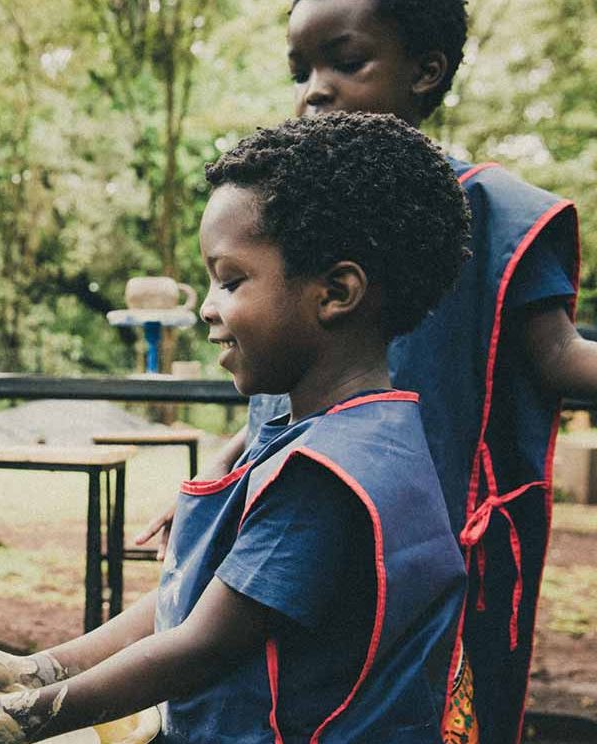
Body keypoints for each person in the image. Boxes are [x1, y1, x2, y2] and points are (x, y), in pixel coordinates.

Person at [0, 112, 471, 743]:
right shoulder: (375, 431)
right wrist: (38, 668)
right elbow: (197, 605)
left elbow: (200, 646)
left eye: (230, 280)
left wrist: (19, 719)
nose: (206, 307)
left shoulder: (323, 479)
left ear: (336, 293)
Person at [135, 3, 589, 740]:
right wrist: (226, 474)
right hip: (312, 509)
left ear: (425, 70)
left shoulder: (493, 210)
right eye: (301, 70)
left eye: (345, 61)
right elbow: (284, 400)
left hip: (430, 522)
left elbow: (559, 358)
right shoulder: (292, 209)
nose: (315, 89)